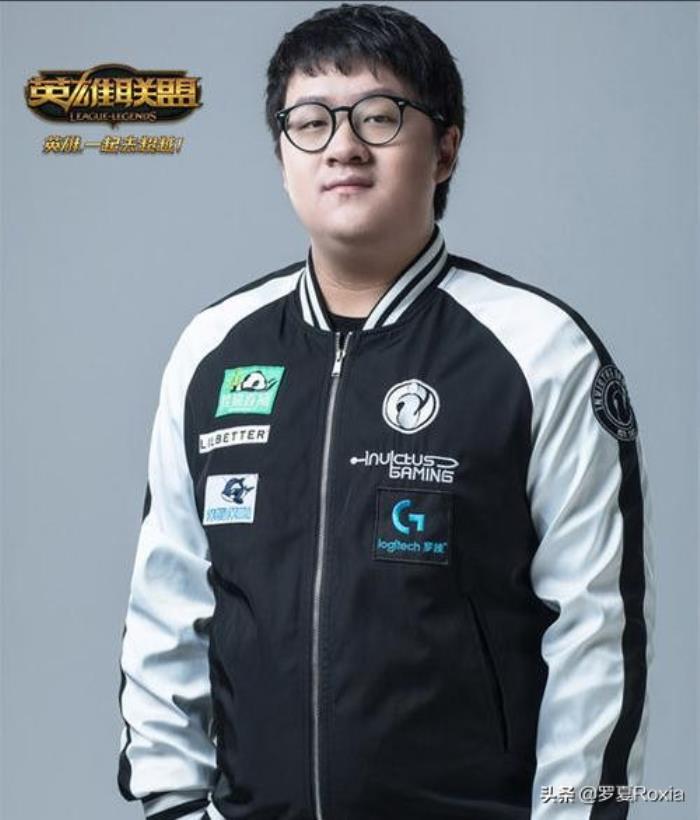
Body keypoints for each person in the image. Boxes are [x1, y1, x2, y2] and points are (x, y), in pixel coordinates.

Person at [117, 4, 655, 819]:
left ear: (446, 149)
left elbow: (598, 629)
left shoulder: (540, 352)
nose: (342, 146)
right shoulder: (212, 350)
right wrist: (172, 805)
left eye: (379, 116)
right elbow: (167, 607)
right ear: (281, 155)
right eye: (310, 122)